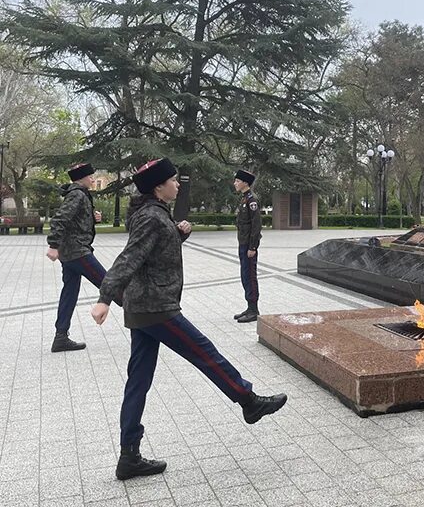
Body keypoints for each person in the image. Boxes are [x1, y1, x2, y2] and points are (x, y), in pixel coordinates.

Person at [91, 158, 286, 481]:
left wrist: (177, 233)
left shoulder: (152, 214)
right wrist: (104, 298)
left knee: (138, 381)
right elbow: (129, 258)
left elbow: (151, 253)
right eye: (173, 180)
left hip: (144, 307)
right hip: (156, 307)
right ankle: (248, 400)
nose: (177, 184)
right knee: (205, 352)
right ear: (158, 186)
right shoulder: (152, 217)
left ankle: (129, 456)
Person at [46, 162, 105, 352]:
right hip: (78, 253)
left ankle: (60, 337)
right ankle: (146, 326)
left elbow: (73, 220)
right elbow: (60, 219)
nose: (93, 179)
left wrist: (92, 218)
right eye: (90, 176)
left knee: (69, 293)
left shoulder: (79, 194)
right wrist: (53, 245)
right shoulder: (78, 194)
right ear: (81, 178)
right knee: (111, 285)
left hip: (70, 254)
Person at [232, 169, 262, 323]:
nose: (235, 183)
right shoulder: (244, 199)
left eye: (237, 181)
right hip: (242, 243)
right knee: (245, 276)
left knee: (250, 276)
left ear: (245, 182)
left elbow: (256, 226)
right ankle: (249, 307)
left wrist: (253, 247)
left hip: (248, 246)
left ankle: (254, 310)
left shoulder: (252, 200)